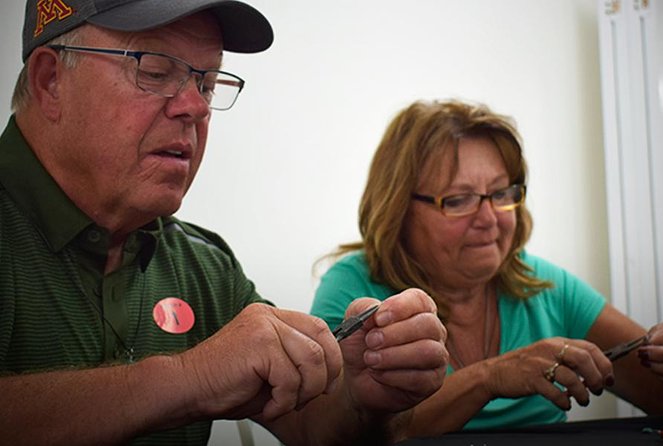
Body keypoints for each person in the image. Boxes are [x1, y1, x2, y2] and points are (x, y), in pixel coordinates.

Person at [0, 2, 449, 445]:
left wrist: (363, 397)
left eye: (208, 83)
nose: (195, 107)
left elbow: (314, 428)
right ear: (51, 81)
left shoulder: (206, 268)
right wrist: (190, 376)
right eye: (155, 71)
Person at [311, 99, 663, 435]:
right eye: (458, 199)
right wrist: (491, 377)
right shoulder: (352, 289)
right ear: (398, 210)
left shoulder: (543, 285)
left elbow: (657, 392)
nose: (489, 218)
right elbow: (334, 435)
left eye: (501, 194)